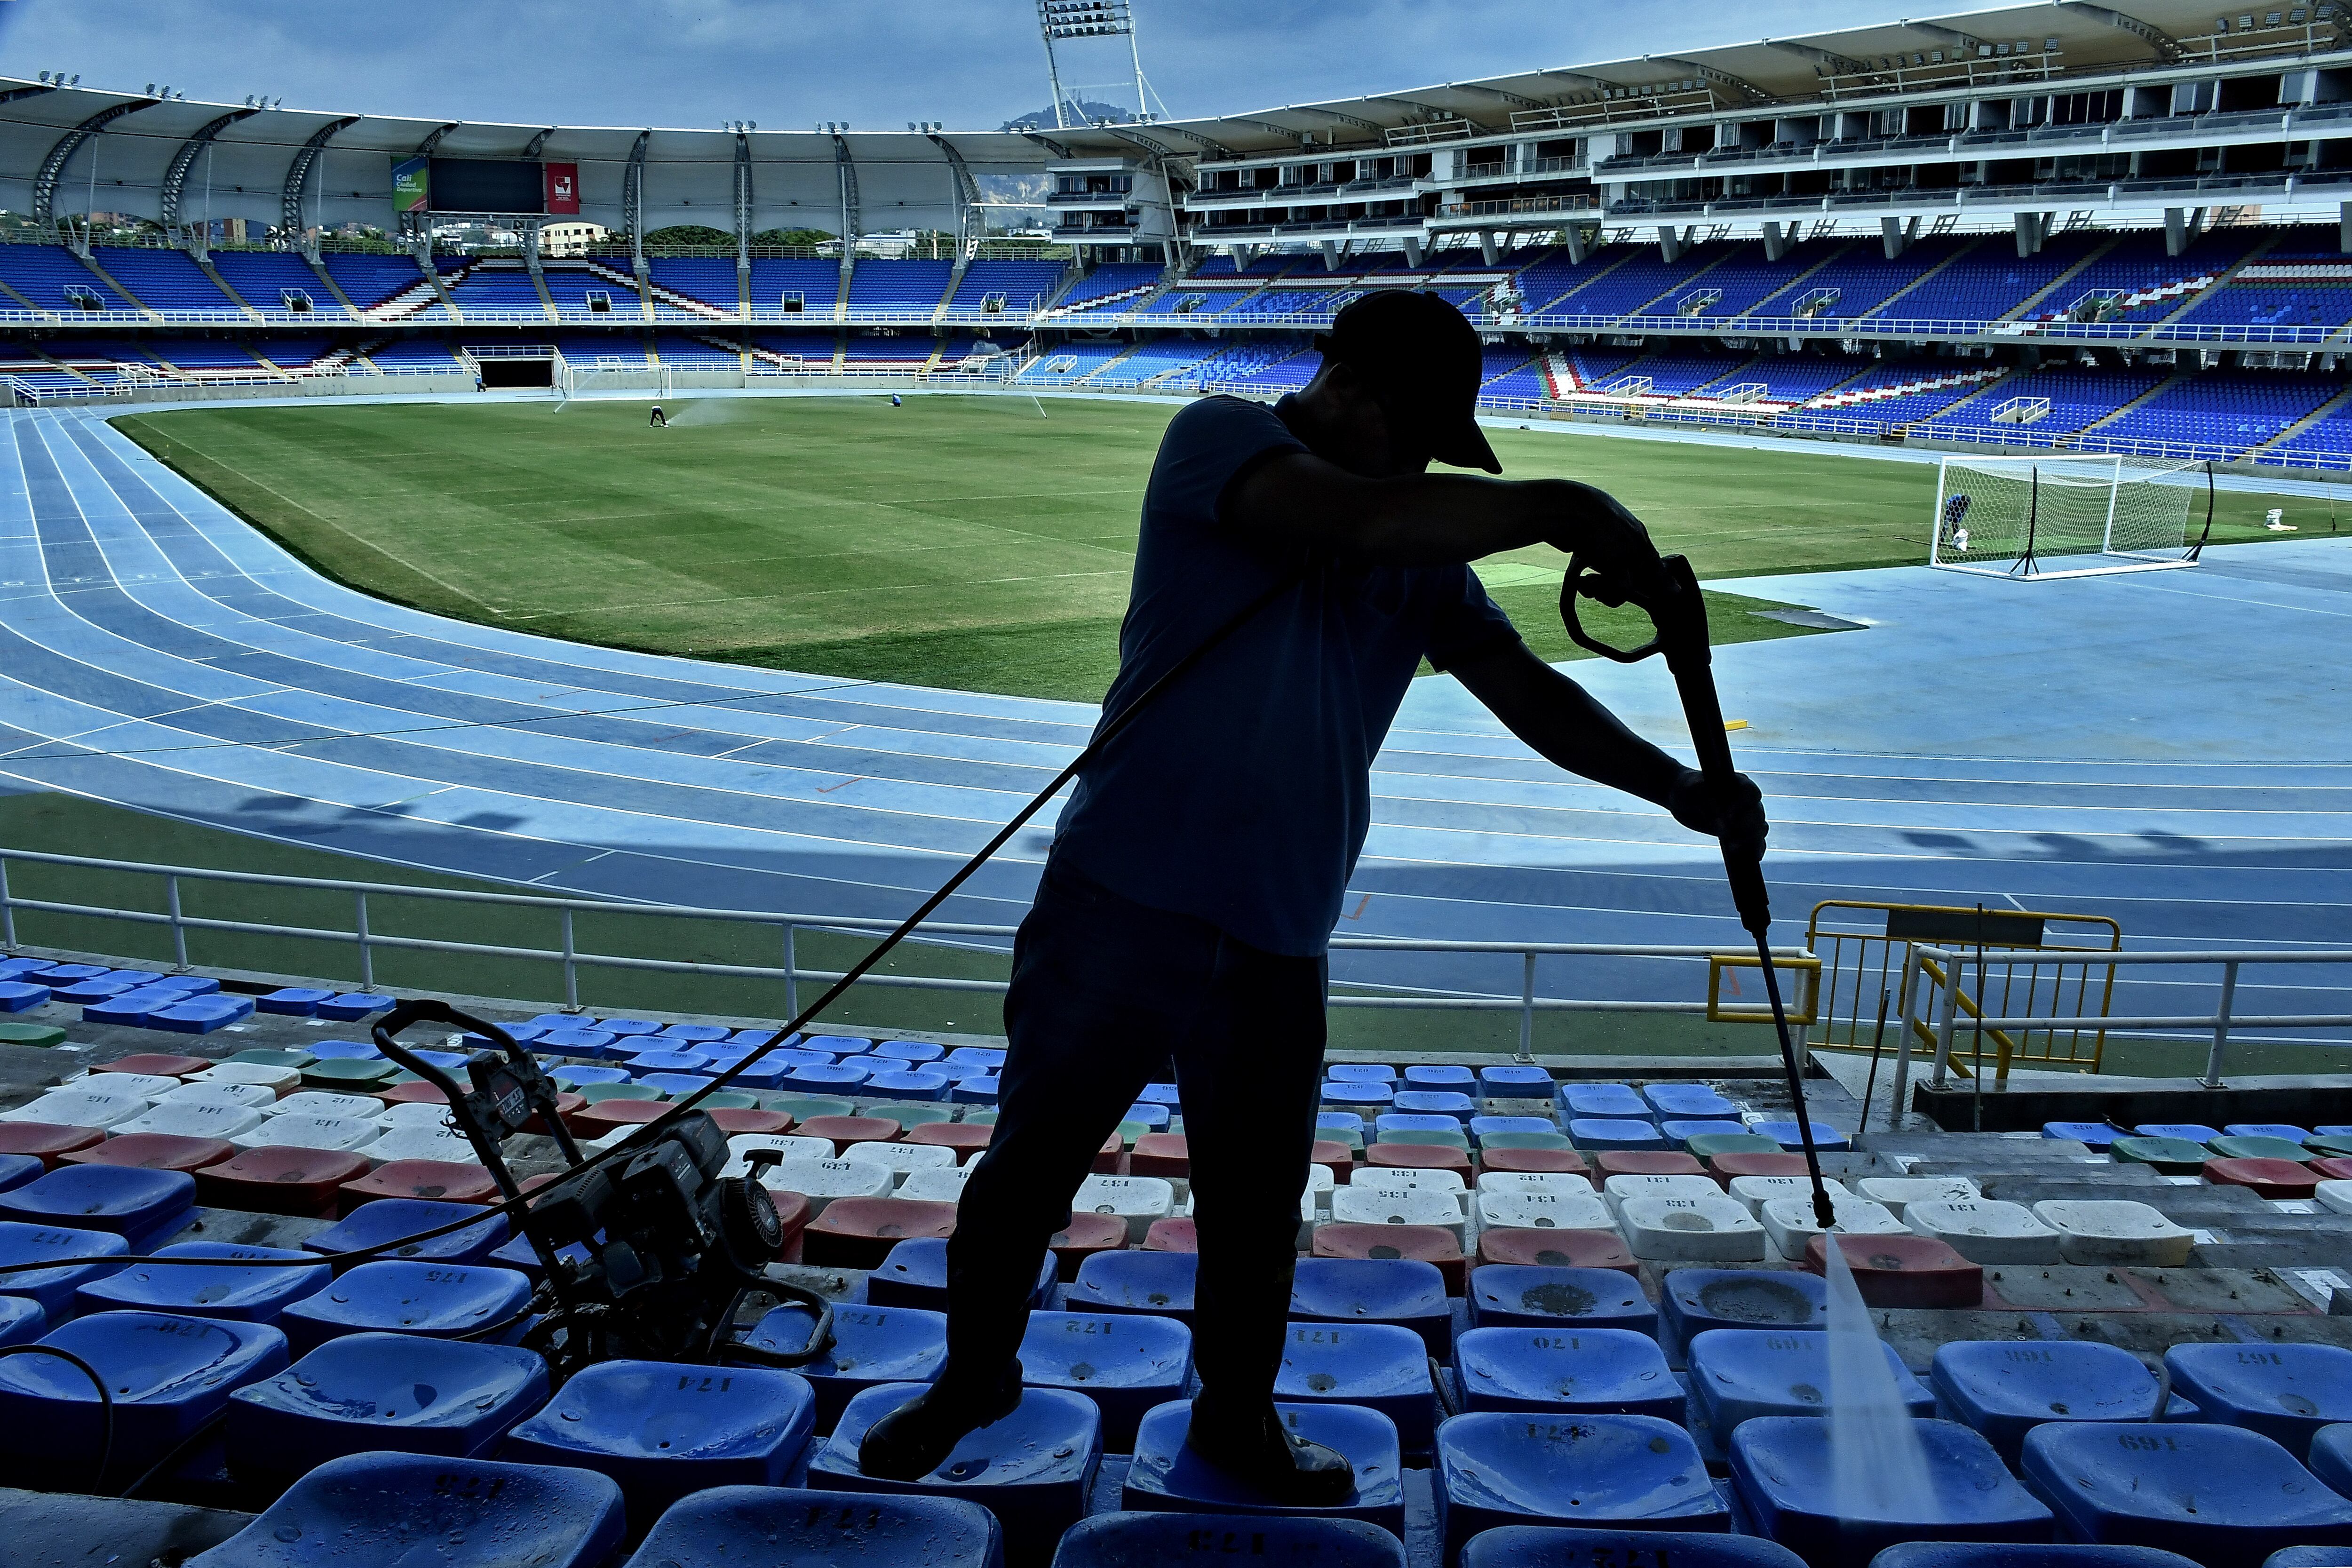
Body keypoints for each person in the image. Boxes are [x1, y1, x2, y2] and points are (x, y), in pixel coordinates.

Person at [856, 291, 1766, 1500]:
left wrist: (1680, 792)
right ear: (1357, 389)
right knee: (1029, 1169)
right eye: (1427, 434)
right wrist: (1571, 507)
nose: (1434, 468)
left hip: (1279, 935)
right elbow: (1363, 516)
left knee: (1253, 1211)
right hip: (1117, 902)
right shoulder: (1220, 437)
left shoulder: (1423, 559)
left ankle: (1236, 1420)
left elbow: (1526, 690)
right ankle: (976, 1375)